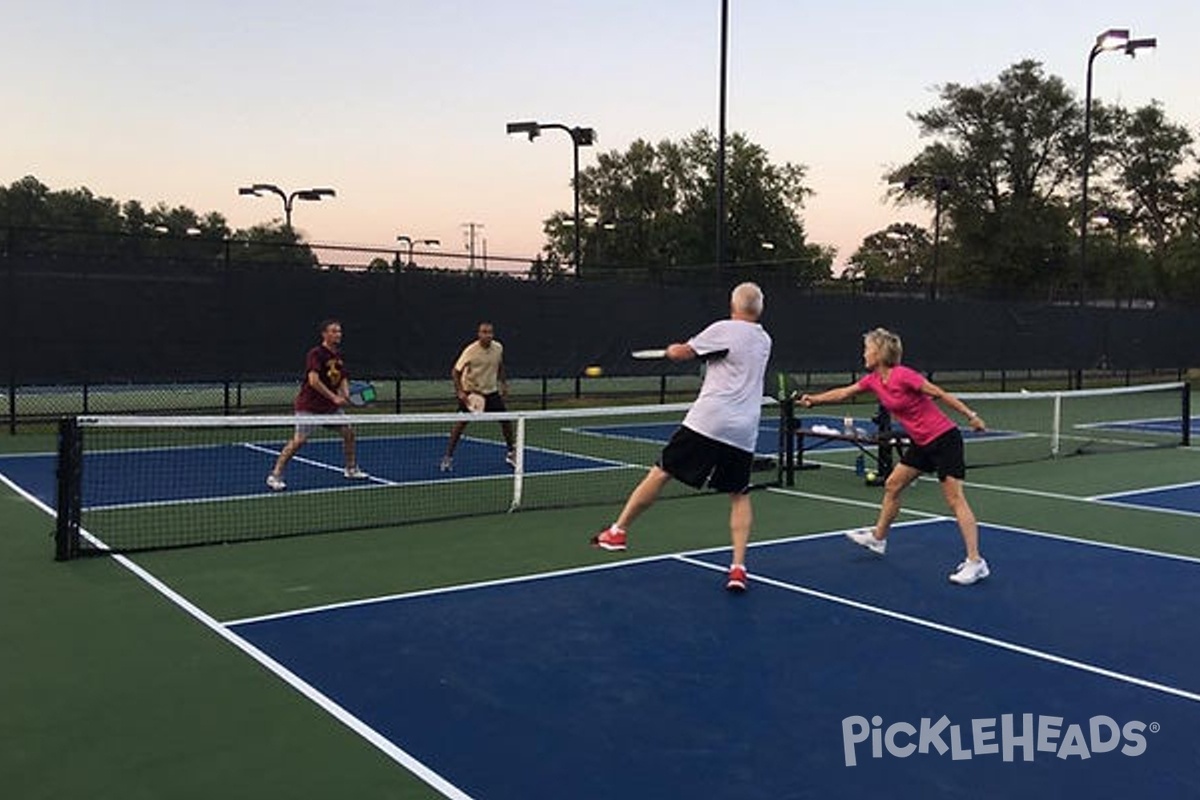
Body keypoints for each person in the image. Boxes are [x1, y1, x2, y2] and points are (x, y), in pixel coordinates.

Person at [592, 282, 773, 593]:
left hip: (710, 420)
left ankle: (618, 532)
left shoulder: (724, 329)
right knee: (739, 494)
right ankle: (738, 568)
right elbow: (721, 356)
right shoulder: (764, 339)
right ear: (759, 309)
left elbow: (683, 353)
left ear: (733, 305)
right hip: (744, 428)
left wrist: (675, 350)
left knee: (661, 471)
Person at [799, 327, 990, 585]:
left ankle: (976, 562)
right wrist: (814, 399)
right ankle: (879, 538)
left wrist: (972, 416)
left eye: (867, 349)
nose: (864, 353)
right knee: (892, 485)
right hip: (922, 443)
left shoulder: (903, 376)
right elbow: (845, 392)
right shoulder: (873, 380)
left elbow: (939, 393)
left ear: (879, 352)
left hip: (944, 439)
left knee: (955, 499)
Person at [266, 319, 369, 491]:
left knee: (349, 433)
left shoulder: (338, 355)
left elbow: (343, 378)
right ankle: (275, 475)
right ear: (325, 334)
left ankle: (350, 469)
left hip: (330, 409)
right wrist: (333, 397)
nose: (338, 334)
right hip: (309, 406)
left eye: (339, 331)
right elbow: (313, 381)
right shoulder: (316, 354)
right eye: (334, 331)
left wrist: (345, 394)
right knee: (299, 441)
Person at [440, 321, 516, 471]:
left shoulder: (498, 348)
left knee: (506, 421)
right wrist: (460, 392)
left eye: (489, 332)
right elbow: (455, 372)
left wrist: (504, 384)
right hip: (472, 392)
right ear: (479, 334)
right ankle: (447, 457)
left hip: (491, 391)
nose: (487, 335)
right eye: (484, 332)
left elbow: (500, 366)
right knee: (461, 424)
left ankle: (511, 453)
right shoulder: (470, 351)